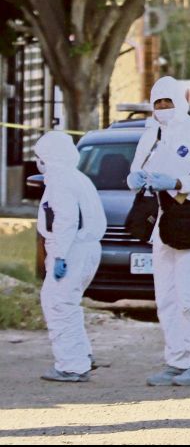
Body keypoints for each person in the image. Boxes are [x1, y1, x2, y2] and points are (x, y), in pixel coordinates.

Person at [127, 76, 190, 386]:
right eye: (158, 103)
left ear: (179, 102)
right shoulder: (150, 133)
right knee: (166, 295)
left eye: (168, 102)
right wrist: (136, 179)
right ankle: (177, 360)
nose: (163, 108)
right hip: (161, 221)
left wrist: (179, 183)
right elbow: (134, 172)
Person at [34, 131, 107, 382]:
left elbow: (65, 221)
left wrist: (59, 256)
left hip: (70, 249)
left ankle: (71, 365)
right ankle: (81, 355)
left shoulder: (60, 181)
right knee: (68, 304)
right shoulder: (77, 178)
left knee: (58, 305)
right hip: (86, 248)